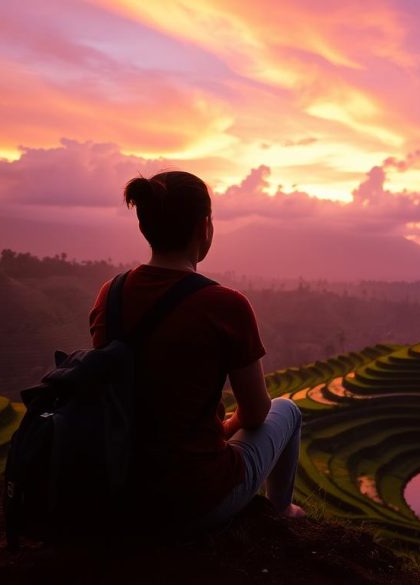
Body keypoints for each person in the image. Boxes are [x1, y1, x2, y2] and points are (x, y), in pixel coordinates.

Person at [88, 170, 305, 536]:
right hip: (195, 501)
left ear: (145, 226)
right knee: (288, 410)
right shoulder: (225, 305)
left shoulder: (109, 294)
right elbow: (256, 413)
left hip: (122, 491)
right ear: (205, 227)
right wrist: (227, 426)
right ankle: (280, 510)